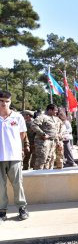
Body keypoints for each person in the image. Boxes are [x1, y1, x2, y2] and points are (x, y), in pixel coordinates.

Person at [0, 90, 29, 221]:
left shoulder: (17, 117)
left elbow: (22, 135)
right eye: (1, 101)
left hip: (14, 156)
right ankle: (2, 211)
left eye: (7, 101)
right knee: (0, 186)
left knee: (18, 184)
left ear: (10, 102)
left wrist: (17, 148)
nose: (4, 104)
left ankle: (22, 208)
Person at [31, 104, 64, 170]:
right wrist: (42, 134)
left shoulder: (56, 119)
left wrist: (59, 136)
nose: (56, 112)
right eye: (55, 111)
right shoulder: (42, 117)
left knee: (50, 159)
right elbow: (34, 125)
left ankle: (47, 174)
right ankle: (37, 175)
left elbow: (61, 126)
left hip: (53, 141)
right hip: (43, 142)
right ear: (50, 110)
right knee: (42, 158)